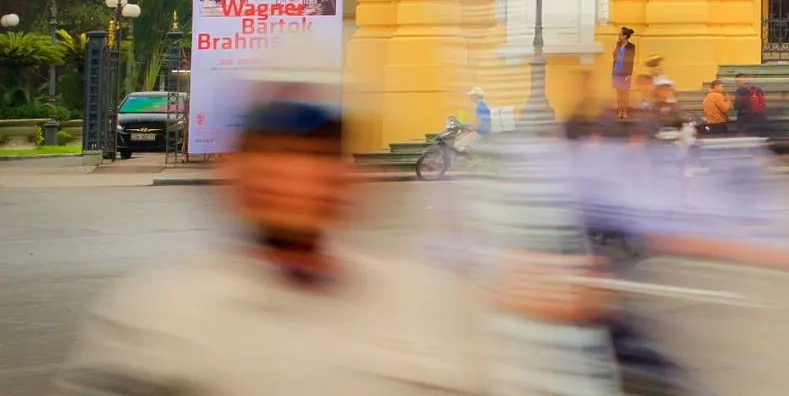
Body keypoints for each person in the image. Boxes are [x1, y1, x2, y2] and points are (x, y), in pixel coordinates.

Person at [55, 94, 499, 395]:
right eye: (274, 158)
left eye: (314, 159)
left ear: (348, 184)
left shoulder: (422, 302)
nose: (292, 179)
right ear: (235, 181)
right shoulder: (162, 318)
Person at [610, 27, 637, 118]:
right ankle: (620, 111)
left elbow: (631, 60)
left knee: (625, 93)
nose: (618, 36)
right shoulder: (618, 44)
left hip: (625, 72)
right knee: (618, 93)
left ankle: (625, 111)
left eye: (620, 34)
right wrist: (614, 50)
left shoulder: (631, 46)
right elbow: (614, 57)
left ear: (625, 36)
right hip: (616, 71)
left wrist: (629, 74)